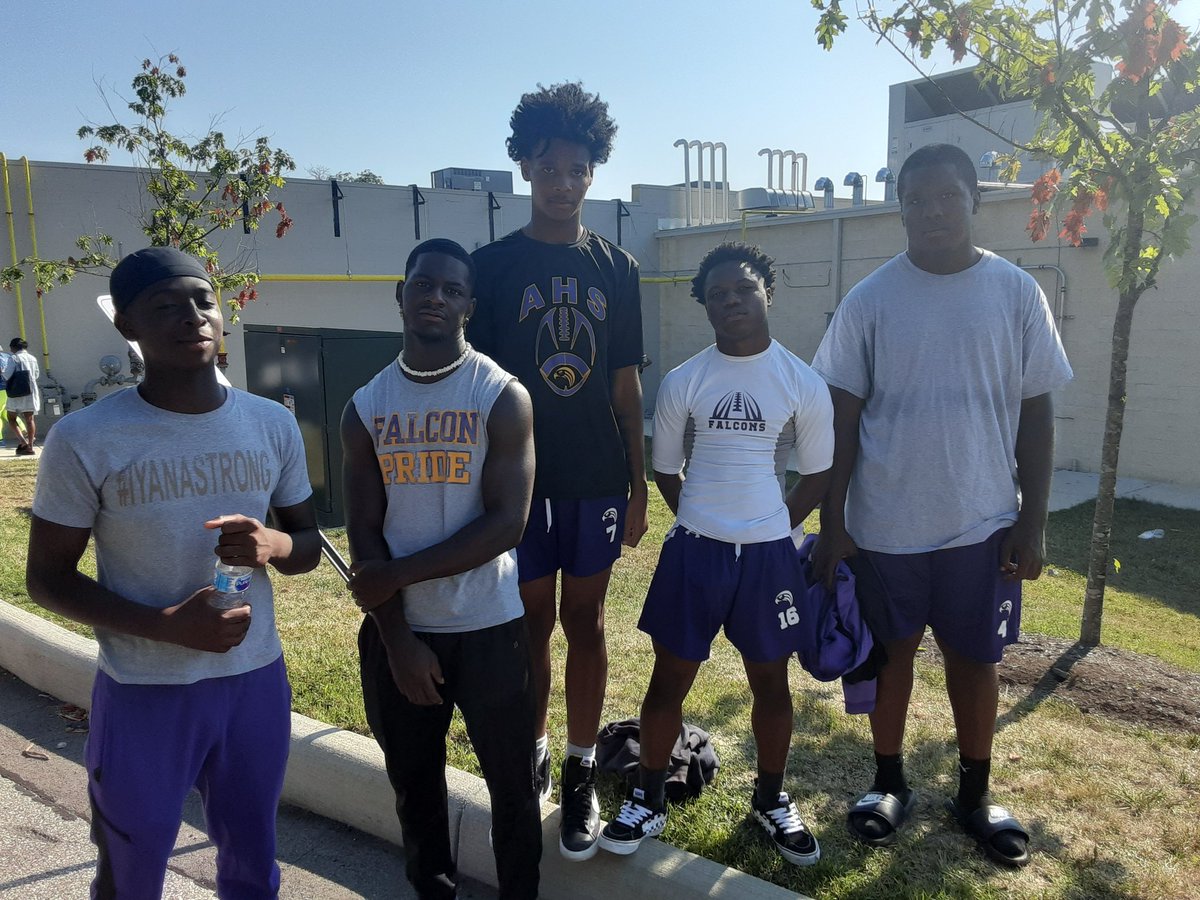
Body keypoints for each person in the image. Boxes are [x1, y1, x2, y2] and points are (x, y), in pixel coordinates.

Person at [25, 246, 321, 898]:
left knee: (252, 862)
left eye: (202, 301)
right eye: (166, 307)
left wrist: (271, 543)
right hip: (144, 692)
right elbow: (46, 578)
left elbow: (308, 543)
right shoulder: (87, 437)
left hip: (254, 687)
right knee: (132, 868)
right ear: (126, 326)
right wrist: (164, 625)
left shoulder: (271, 424)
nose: (193, 318)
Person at [811, 143, 1073, 869]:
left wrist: (1034, 519)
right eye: (915, 201)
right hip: (884, 527)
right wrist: (833, 526)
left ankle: (974, 792)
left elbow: (1037, 414)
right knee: (893, 658)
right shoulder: (870, 300)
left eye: (945, 197)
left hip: (982, 524)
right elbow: (840, 421)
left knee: (974, 658)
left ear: (974, 201)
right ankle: (889, 783)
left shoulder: (1017, 292)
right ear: (899, 210)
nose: (930, 213)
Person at [597, 243, 834, 866]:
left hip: (769, 559)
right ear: (705, 306)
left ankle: (771, 799)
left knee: (771, 683)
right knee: (668, 680)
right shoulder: (686, 379)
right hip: (694, 552)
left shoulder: (800, 381)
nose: (732, 300)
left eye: (745, 288)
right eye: (719, 293)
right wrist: (701, 521)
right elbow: (666, 469)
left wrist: (771, 526)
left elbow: (817, 474)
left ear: (768, 293)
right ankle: (647, 796)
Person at [466, 81, 648, 861]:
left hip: (596, 478)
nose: (563, 180)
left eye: (577, 168)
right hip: (520, 484)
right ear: (524, 165)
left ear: (593, 173)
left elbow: (624, 386)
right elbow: (473, 386)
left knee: (586, 623)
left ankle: (580, 769)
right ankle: (535, 745)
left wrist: (639, 484)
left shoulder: (618, 266)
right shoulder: (490, 267)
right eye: (548, 164)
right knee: (530, 625)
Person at [343, 238, 540, 900]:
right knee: (415, 788)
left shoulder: (501, 396)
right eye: (424, 284)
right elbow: (365, 530)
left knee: (512, 788)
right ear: (401, 295)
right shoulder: (365, 407)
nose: (436, 297)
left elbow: (506, 523)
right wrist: (397, 638)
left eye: (452, 290)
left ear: (469, 307)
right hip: (403, 633)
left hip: (491, 627)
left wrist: (396, 576)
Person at [4, 337, 41, 455]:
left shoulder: (14, 358)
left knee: (11, 418)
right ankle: (30, 446)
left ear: (13, 347)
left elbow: (7, 375)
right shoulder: (33, 358)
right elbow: (36, 375)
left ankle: (22, 441)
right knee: (30, 419)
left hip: (16, 392)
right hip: (30, 391)